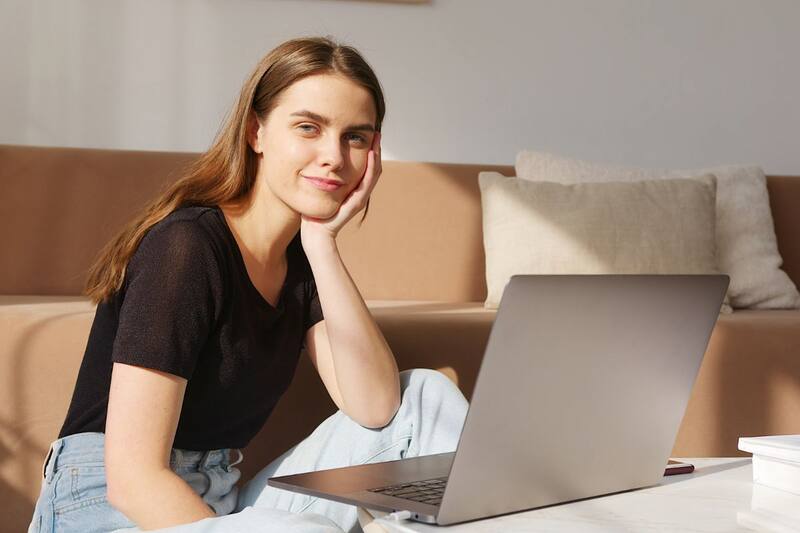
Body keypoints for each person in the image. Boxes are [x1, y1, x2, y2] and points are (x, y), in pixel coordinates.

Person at [27, 37, 468, 533]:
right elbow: (132, 480)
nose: (334, 156)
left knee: (424, 398)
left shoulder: (300, 260)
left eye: (355, 137)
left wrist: (323, 244)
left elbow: (377, 409)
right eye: (309, 127)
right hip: (107, 510)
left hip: (218, 502)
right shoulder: (186, 247)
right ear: (256, 132)